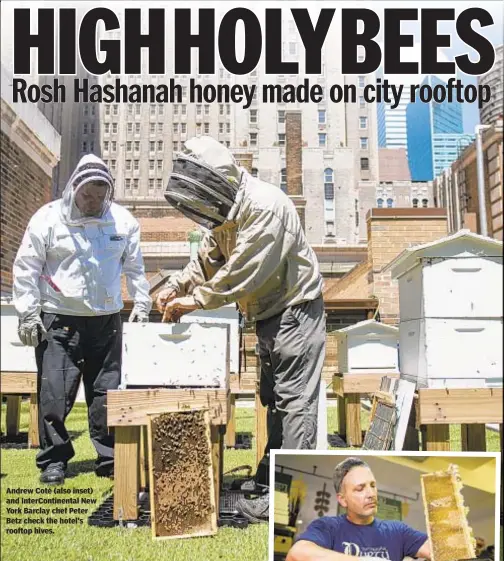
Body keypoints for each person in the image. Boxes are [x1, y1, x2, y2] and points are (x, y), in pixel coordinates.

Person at [156, 136, 326, 522]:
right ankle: (272, 478)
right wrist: (175, 285)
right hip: (268, 316)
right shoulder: (227, 214)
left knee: (295, 404)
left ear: (221, 181)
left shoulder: (266, 206)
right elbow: (207, 260)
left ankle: (292, 503)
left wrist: (196, 300)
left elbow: (243, 272)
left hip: (295, 311)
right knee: (274, 401)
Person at [12, 154, 152, 485]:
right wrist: (28, 313)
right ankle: (54, 461)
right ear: (74, 188)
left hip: (106, 320)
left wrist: (142, 302)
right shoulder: (47, 219)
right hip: (59, 318)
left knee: (106, 391)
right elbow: (27, 266)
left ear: (109, 194)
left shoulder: (124, 222)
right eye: (87, 194)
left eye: (99, 196)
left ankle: (109, 457)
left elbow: (134, 267)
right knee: (55, 392)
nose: (92, 202)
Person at [287, 457, 431, 561]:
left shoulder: (398, 531)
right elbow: (297, 554)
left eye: (373, 486)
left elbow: (438, 551)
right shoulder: (328, 527)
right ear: (343, 499)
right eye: (360, 489)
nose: (371, 494)